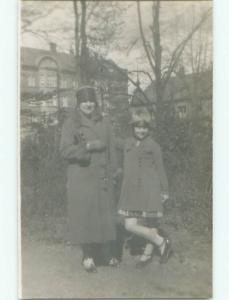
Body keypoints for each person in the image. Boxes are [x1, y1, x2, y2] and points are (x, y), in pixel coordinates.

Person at [60, 86, 120, 273]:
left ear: (96, 103)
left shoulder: (105, 121)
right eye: (85, 101)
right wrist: (88, 146)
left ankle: (106, 253)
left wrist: (115, 170)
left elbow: (111, 148)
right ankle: (87, 256)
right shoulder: (71, 123)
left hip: (102, 175)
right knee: (85, 216)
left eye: (91, 101)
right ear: (79, 104)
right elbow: (64, 150)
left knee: (105, 215)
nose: (88, 104)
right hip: (81, 176)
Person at [118, 112, 172, 268]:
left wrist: (165, 190)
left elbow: (161, 169)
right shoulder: (127, 143)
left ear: (148, 129)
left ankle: (147, 254)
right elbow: (111, 142)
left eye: (144, 128)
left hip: (150, 187)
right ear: (132, 128)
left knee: (151, 222)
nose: (141, 131)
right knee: (130, 225)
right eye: (137, 127)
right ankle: (161, 241)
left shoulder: (154, 146)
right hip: (131, 189)